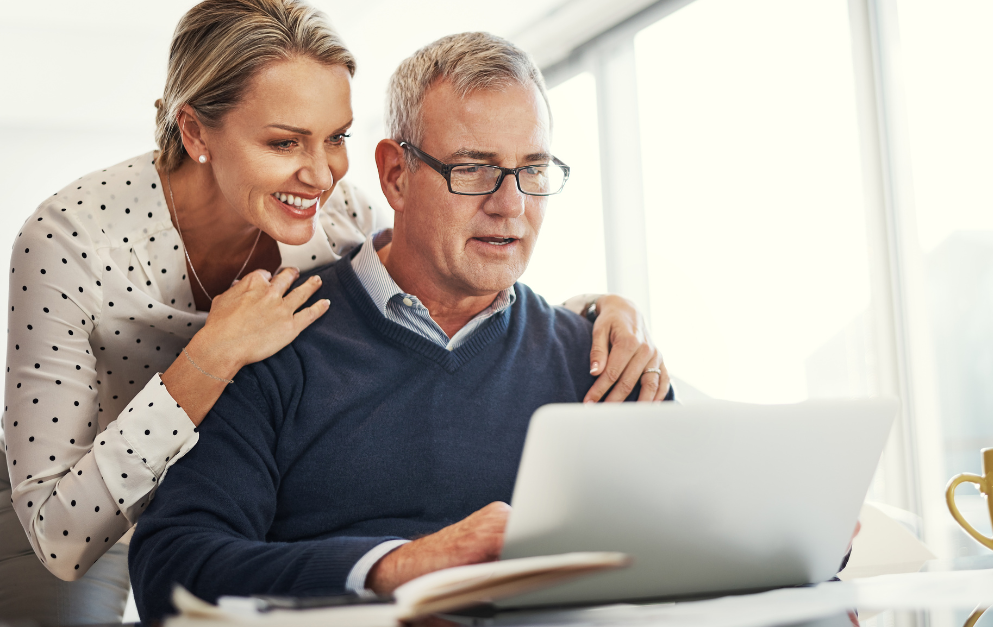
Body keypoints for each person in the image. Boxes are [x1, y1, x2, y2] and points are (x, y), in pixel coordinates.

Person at [0, 2, 667, 624]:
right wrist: (213, 354)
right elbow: (76, 538)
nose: (321, 175)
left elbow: (444, 266)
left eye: (336, 138)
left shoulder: (336, 216)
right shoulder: (72, 242)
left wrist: (593, 317)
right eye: (286, 142)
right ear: (196, 131)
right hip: (73, 503)